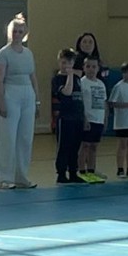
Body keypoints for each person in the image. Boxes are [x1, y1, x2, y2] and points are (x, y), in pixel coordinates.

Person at [0, 16, 38, 190]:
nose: (17, 34)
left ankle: (21, 176)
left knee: (25, 137)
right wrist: (2, 102)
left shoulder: (28, 53)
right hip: (10, 94)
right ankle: (3, 178)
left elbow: (33, 77)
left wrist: (37, 100)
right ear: (9, 33)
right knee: (7, 137)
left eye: (20, 31)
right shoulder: (3, 54)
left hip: (27, 95)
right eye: (14, 31)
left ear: (25, 33)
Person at [53, 49, 86, 184]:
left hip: (77, 117)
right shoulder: (57, 79)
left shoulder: (78, 79)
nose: (66, 66)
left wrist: (84, 116)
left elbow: (80, 98)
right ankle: (61, 173)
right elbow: (67, 92)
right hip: (65, 118)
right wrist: (70, 75)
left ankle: (73, 172)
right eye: (63, 63)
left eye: (69, 63)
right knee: (64, 146)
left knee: (75, 146)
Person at [77, 56, 108, 182]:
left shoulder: (101, 84)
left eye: (94, 67)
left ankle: (91, 170)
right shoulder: (82, 83)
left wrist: (105, 119)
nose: (91, 69)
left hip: (98, 119)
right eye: (88, 66)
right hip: (87, 119)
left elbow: (104, 103)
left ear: (98, 68)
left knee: (94, 146)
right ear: (84, 68)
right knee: (84, 145)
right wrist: (84, 119)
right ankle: (81, 170)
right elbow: (80, 103)